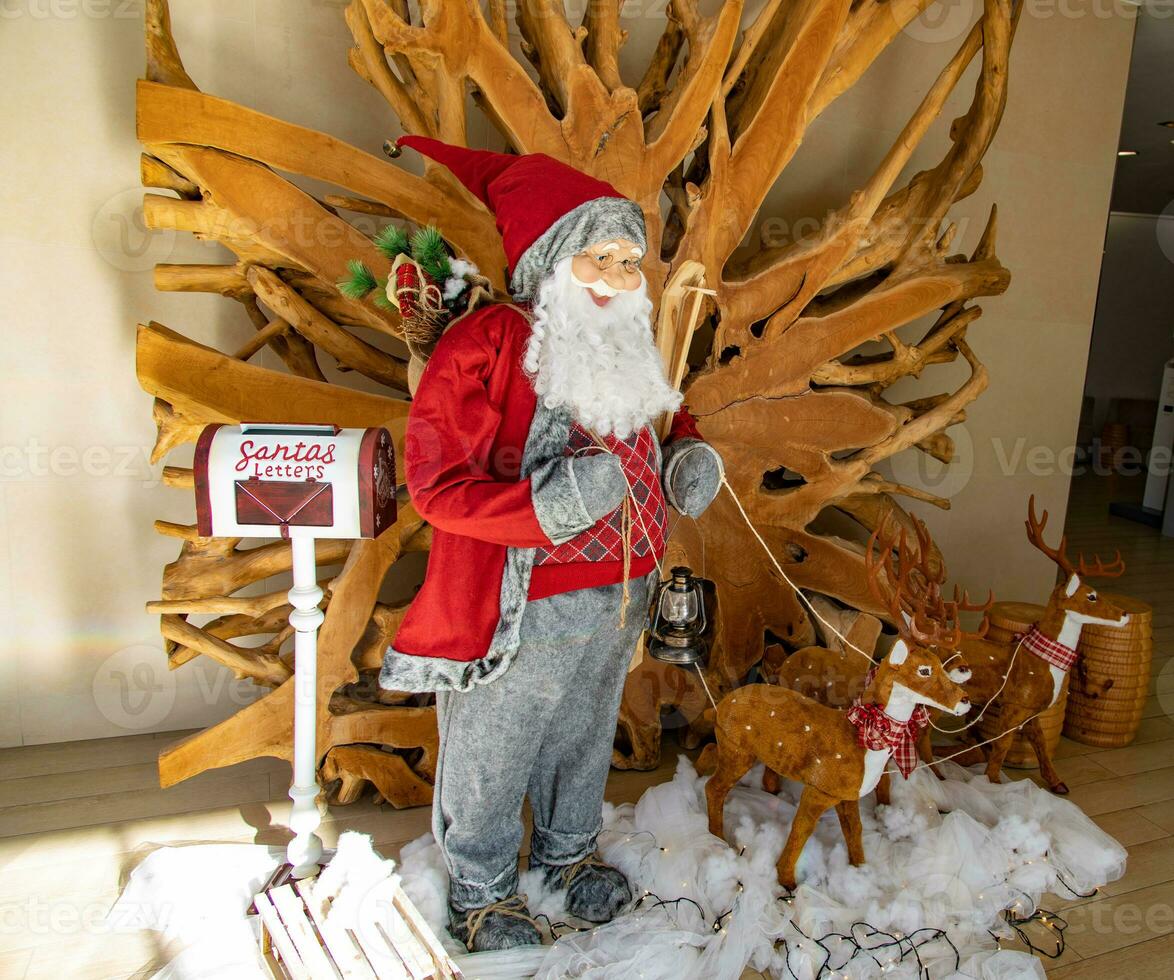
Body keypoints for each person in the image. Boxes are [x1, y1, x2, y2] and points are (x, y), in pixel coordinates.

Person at [379, 136, 723, 952]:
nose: (616, 276)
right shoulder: (491, 342)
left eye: (628, 260)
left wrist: (682, 467)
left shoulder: (626, 347)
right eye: (597, 256)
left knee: (581, 734)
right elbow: (434, 483)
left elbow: (648, 440)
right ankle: (482, 890)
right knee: (494, 746)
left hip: (620, 594)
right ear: (549, 258)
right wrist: (550, 504)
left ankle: (568, 859)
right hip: (522, 601)